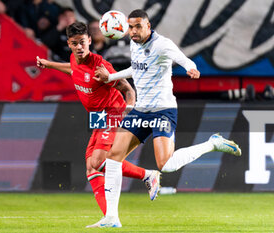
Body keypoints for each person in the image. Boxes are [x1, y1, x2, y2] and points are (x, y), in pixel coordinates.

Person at [90, 9, 242, 228]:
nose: (133, 31)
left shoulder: (163, 44)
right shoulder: (134, 44)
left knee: (167, 165)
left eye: (138, 26)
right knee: (113, 158)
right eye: (131, 27)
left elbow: (183, 58)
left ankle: (213, 143)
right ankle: (112, 218)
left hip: (163, 110)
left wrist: (191, 68)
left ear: (148, 26)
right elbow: (136, 68)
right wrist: (111, 77)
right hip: (141, 110)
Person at [36, 21, 160, 222]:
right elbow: (73, 70)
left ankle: (147, 175)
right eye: (75, 43)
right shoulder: (75, 59)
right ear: (69, 43)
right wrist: (49, 64)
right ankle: (110, 217)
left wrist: (129, 112)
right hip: (98, 115)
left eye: (82, 43)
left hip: (113, 111)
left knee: (98, 161)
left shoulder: (100, 66)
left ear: (90, 41)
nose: (79, 47)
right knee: (91, 167)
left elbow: (128, 89)